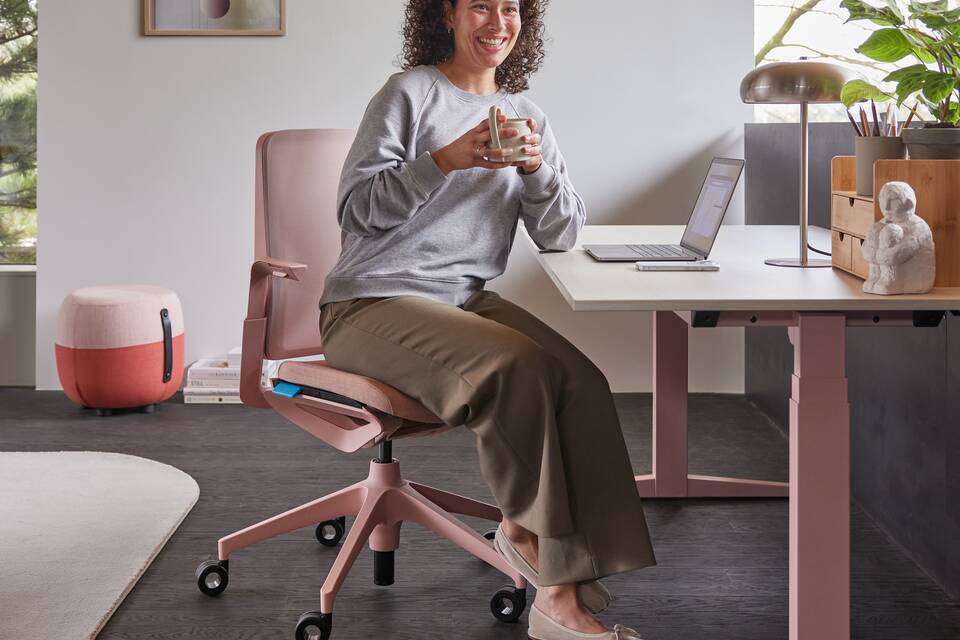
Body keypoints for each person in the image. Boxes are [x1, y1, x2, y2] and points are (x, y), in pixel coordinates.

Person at [318, 1, 655, 637]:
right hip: (369, 302)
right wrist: (445, 159)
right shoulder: (409, 94)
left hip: (462, 298)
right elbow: (357, 210)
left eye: (510, 8)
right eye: (480, 5)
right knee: (515, 365)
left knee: (581, 379)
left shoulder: (527, 115)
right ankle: (545, 569)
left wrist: (534, 169)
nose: (497, 22)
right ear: (446, 14)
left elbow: (561, 235)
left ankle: (581, 567)